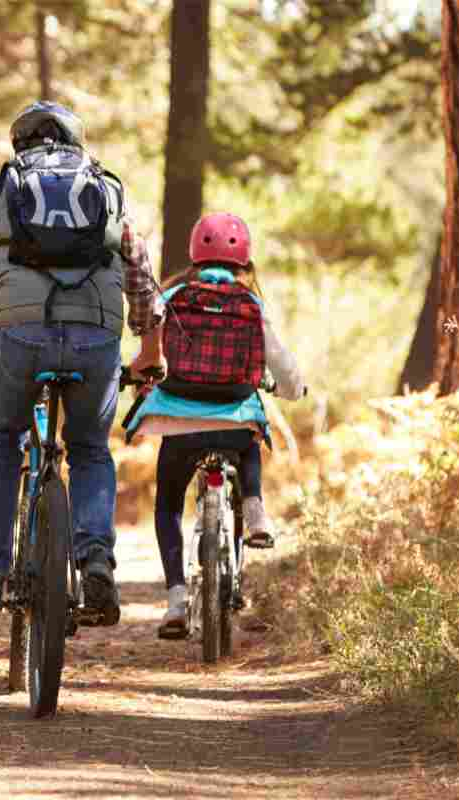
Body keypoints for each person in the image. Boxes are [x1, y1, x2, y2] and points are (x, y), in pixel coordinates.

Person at [0, 100, 165, 625]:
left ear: (19, 145)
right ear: (77, 143)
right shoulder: (108, 189)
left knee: (1, 439)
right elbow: (141, 275)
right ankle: (95, 557)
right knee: (91, 449)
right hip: (96, 338)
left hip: (20, 338)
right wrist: (150, 350)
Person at [124, 212, 305, 640]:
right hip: (232, 415)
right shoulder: (251, 304)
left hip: (179, 417)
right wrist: (295, 389)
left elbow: (147, 346)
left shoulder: (172, 296)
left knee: (168, 505)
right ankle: (254, 507)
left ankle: (174, 599)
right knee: (250, 434)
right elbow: (279, 361)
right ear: (244, 259)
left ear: (194, 254)